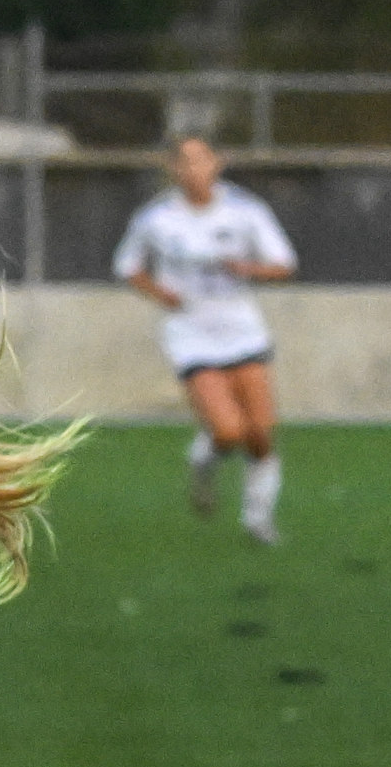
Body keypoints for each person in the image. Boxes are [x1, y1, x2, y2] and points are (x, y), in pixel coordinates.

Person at [112, 136, 295, 543]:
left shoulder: (246, 211)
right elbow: (128, 267)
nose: (193, 169)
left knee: (261, 433)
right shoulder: (156, 218)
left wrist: (246, 268)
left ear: (217, 163)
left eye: (201, 160)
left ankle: (258, 519)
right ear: (172, 169)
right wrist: (163, 295)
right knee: (229, 432)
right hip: (191, 333)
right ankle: (204, 460)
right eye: (184, 162)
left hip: (242, 328)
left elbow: (284, 265)